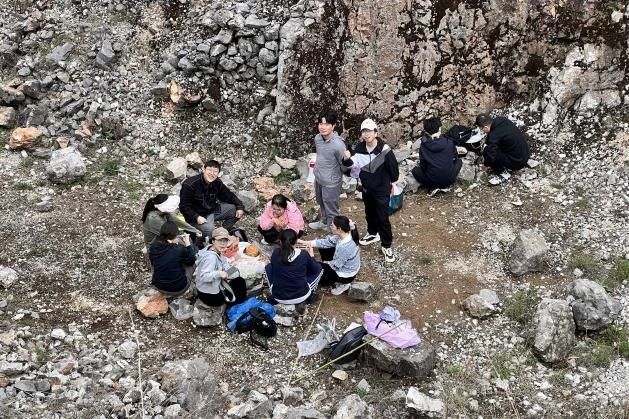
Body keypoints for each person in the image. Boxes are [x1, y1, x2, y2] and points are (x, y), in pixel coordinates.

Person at [342, 118, 399, 263]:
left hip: (381, 189)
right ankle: (373, 233)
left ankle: (386, 245)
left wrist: (393, 184)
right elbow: (352, 165)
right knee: (369, 212)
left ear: (375, 132)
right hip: (367, 188)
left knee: (382, 218)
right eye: (363, 131)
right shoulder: (359, 149)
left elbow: (394, 170)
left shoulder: (385, 150)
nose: (366, 134)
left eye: (369, 131)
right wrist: (346, 159)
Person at [179, 159, 245, 238]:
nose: (212, 173)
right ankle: (213, 240)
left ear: (218, 173)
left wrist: (240, 206)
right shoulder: (190, 184)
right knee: (210, 230)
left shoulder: (217, 182)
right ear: (203, 169)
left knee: (234, 210)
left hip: (211, 210)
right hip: (197, 217)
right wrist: (196, 217)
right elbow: (184, 207)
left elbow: (229, 195)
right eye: (209, 170)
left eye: (215, 171)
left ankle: (222, 232)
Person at [265, 229, 323, 307]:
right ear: (296, 242)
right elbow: (315, 269)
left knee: (268, 267)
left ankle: (274, 293)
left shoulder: (276, 252)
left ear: (280, 242)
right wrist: (311, 255)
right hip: (301, 295)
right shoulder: (303, 254)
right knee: (319, 268)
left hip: (278, 296)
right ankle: (309, 295)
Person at [309, 111, 347, 230]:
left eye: (326, 124)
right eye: (320, 123)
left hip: (331, 182)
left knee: (331, 208)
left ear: (333, 126)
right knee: (321, 202)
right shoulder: (318, 138)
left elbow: (344, 165)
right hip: (319, 178)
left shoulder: (338, 144)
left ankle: (333, 231)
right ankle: (324, 222)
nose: (323, 127)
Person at [300, 216, 361, 288]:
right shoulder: (344, 234)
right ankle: (326, 273)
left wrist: (324, 262)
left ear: (339, 229)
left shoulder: (345, 247)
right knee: (323, 247)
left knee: (315, 268)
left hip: (345, 275)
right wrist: (305, 242)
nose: (330, 226)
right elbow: (326, 242)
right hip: (340, 264)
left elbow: (337, 266)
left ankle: (338, 283)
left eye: (332, 225)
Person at [195, 227, 247, 307]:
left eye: (225, 241)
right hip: (209, 295)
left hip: (207, 287)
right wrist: (219, 273)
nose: (223, 243)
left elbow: (223, 262)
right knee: (240, 283)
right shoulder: (211, 258)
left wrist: (229, 268)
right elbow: (204, 276)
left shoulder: (212, 248)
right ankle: (237, 304)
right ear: (213, 241)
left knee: (238, 277)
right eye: (220, 240)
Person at [475, 113, 530, 185]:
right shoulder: (502, 120)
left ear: (486, 128)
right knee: (493, 147)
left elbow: (491, 156)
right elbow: (494, 138)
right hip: (525, 153)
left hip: (518, 162)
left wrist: (486, 164)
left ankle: (502, 173)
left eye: (481, 129)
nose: (482, 131)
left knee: (487, 151)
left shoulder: (494, 135)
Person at [411, 117, 463, 192]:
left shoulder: (424, 145)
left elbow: (423, 165)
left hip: (432, 181)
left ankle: (433, 185)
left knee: (414, 170)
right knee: (459, 161)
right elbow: (454, 157)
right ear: (439, 129)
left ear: (427, 131)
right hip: (450, 179)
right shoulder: (449, 142)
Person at [148, 221, 197, 297]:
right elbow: (191, 261)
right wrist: (187, 243)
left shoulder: (154, 246)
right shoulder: (179, 249)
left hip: (159, 286)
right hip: (178, 289)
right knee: (192, 262)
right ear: (174, 236)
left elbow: (152, 261)